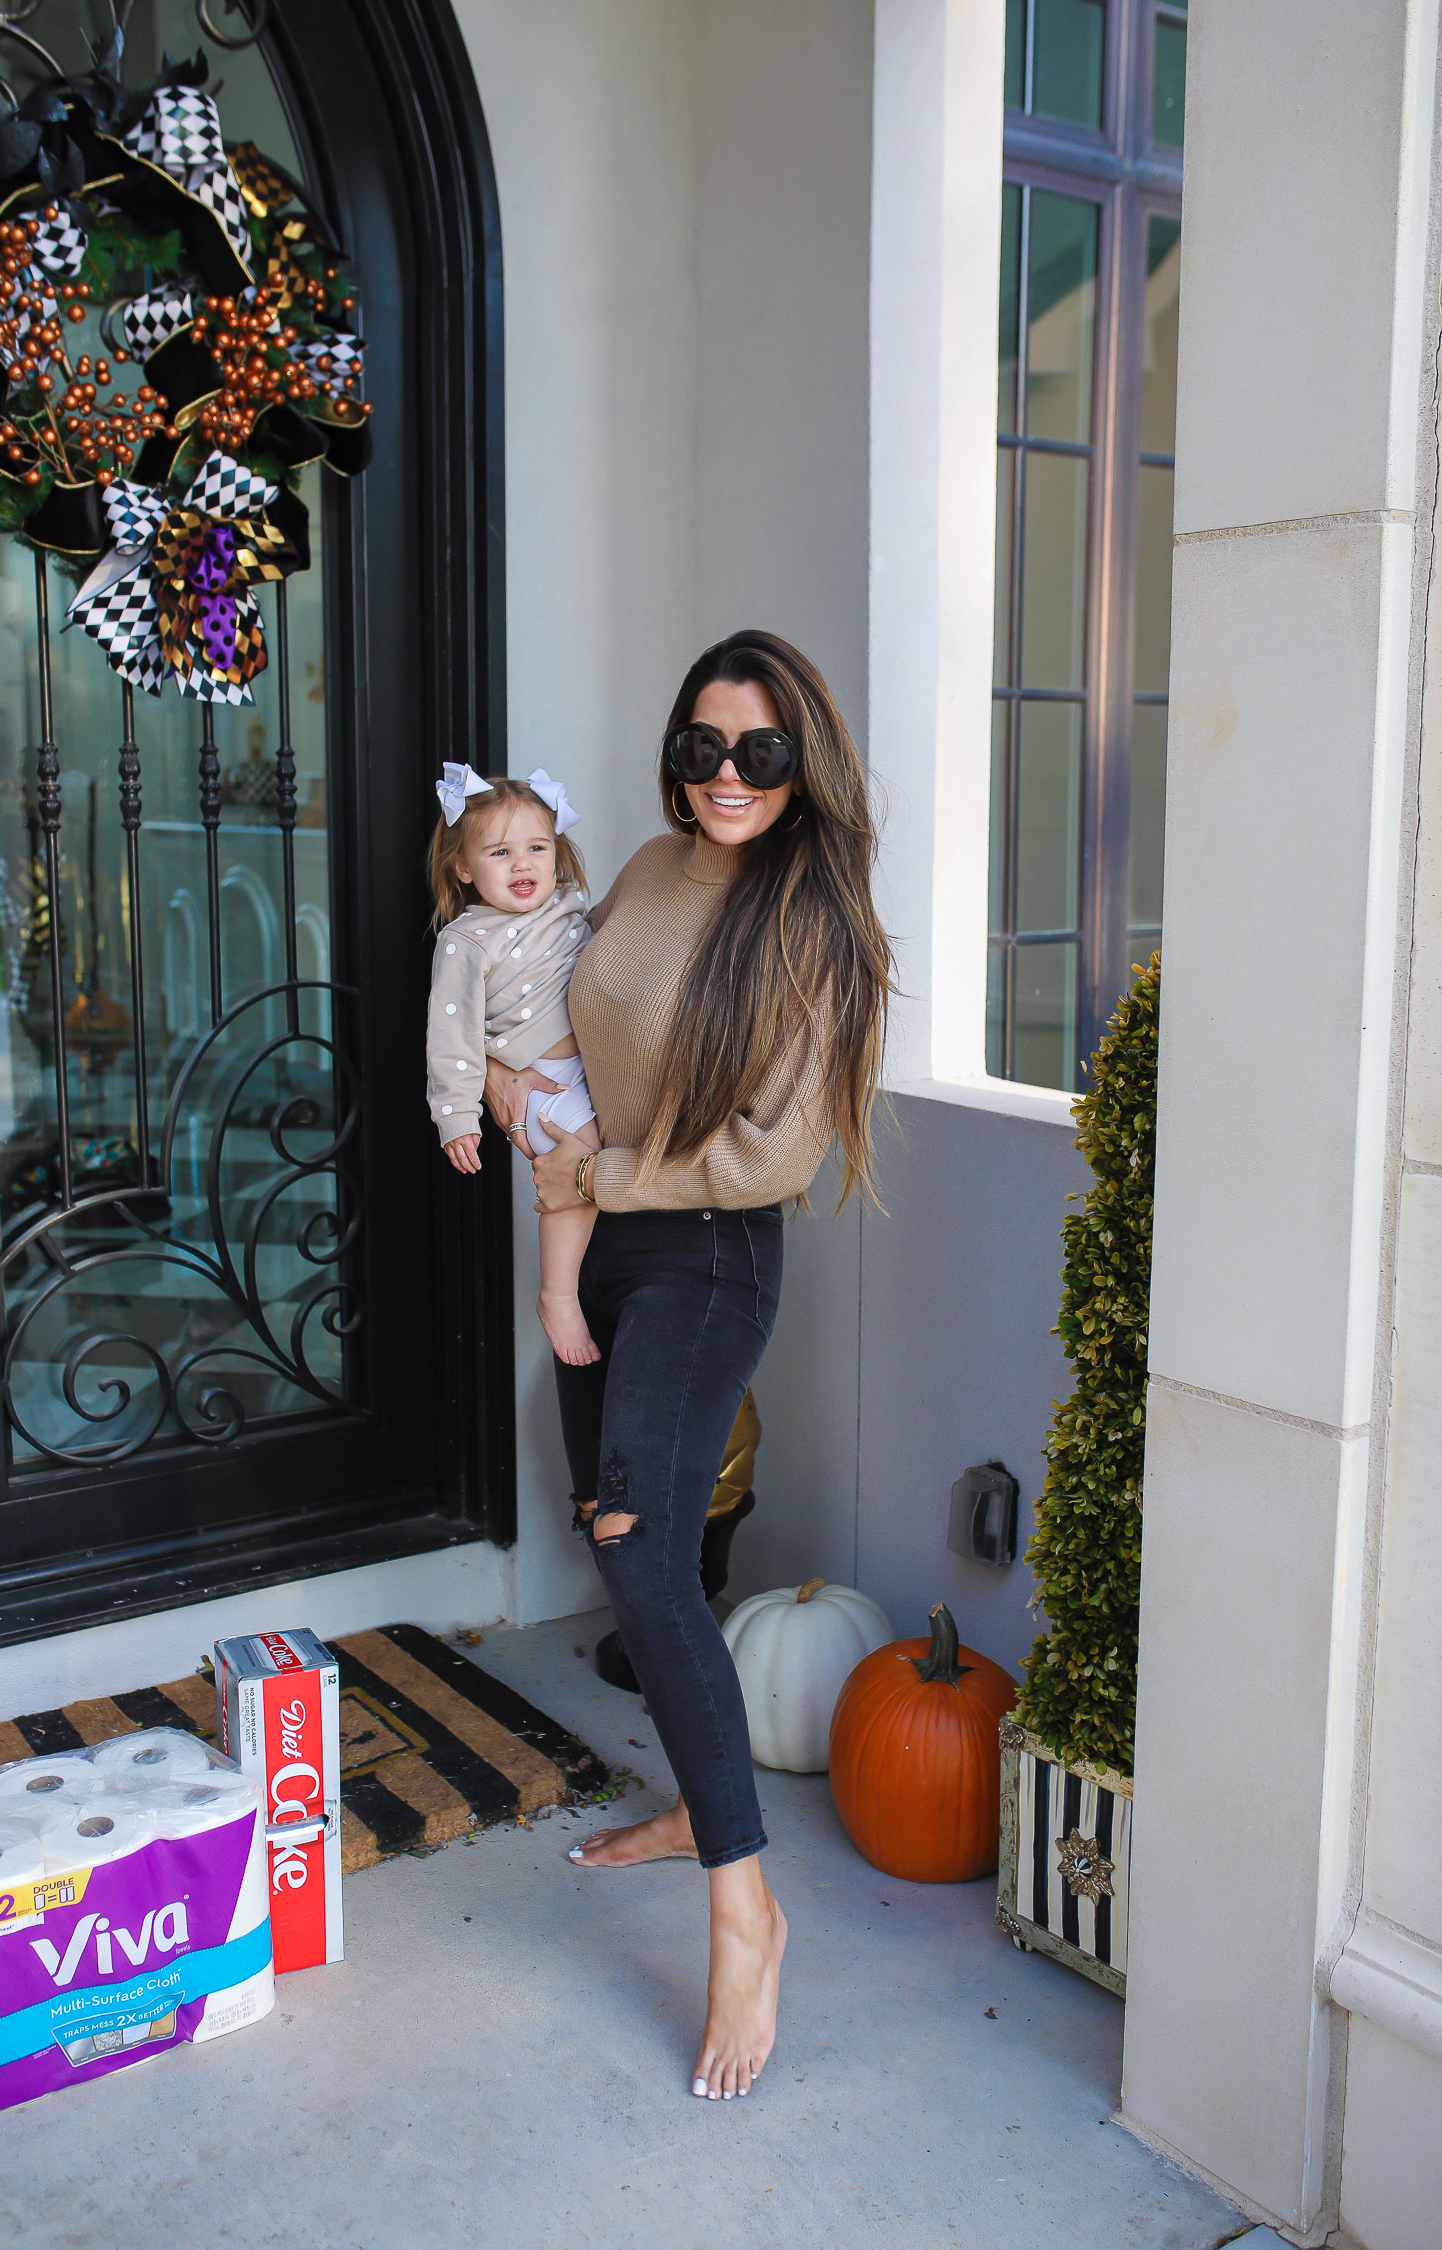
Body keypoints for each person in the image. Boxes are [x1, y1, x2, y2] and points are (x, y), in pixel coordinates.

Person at [484, 630, 892, 2101]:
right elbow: (569, 1019)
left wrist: (599, 1171)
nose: (728, 776)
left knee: (644, 1544)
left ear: (804, 765)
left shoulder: (815, 924)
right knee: (626, 1553)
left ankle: (745, 1904)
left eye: (761, 753)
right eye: (706, 747)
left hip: (709, 1251)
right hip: (609, 1234)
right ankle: (695, 1797)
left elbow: (767, 1150)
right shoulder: (649, 875)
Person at [425, 766, 603, 1365]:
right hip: (545, 1082)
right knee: (581, 1160)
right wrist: (457, 1117)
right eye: (501, 852)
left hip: (595, 1068)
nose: (522, 864)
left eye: (536, 848)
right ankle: (559, 1294)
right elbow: (449, 1036)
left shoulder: (569, 905)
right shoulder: (468, 940)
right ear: (464, 868)